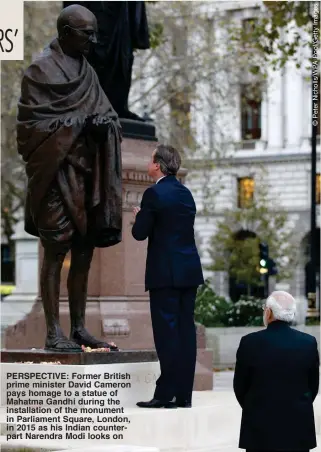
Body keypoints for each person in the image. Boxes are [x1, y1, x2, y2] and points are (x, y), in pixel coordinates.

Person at [17, 5, 123, 351]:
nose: (94, 39)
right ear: (65, 31)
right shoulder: (40, 69)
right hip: (55, 177)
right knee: (54, 252)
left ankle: (78, 328)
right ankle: (52, 332)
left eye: (94, 32)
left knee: (83, 252)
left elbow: (107, 113)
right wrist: (79, 124)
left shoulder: (88, 72)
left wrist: (105, 126)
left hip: (85, 175)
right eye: (86, 33)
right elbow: (30, 131)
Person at [131, 144, 204, 408]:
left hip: (165, 275)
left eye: (150, 159)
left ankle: (165, 394)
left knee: (167, 334)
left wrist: (138, 217)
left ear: (159, 165)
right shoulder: (186, 193)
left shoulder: (153, 194)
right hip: (189, 272)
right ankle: (183, 395)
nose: (147, 163)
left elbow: (140, 233)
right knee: (186, 333)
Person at [233, 291, 319, 452]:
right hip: (298, 428)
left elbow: (240, 386)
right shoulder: (308, 343)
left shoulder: (249, 342)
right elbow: (312, 386)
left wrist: (254, 407)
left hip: (259, 429)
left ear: (268, 312)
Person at [62, 1, 150, 121]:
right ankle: (88, 106)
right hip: (92, 13)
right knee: (90, 58)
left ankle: (118, 107)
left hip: (120, 17)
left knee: (121, 59)